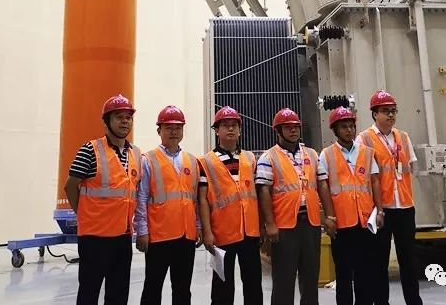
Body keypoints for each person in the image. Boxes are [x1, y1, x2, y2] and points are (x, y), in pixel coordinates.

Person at [64, 94, 142, 305]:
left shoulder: (136, 154)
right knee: (89, 293)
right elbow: (70, 186)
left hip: (123, 237)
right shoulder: (90, 150)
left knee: (118, 293)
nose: (125, 121)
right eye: (119, 117)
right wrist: (83, 214)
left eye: (128, 117)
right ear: (107, 121)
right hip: (94, 238)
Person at [356, 91, 423, 305]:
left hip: (405, 206)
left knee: (409, 260)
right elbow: (361, 175)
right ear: (374, 114)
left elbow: (410, 167)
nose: (391, 115)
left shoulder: (403, 137)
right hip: (381, 209)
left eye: (393, 111)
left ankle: (414, 301)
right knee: (379, 261)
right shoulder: (364, 139)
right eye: (385, 111)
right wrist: (375, 208)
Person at [256, 108, 325, 305]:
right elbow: (264, 191)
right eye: (288, 127)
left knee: (310, 276)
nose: (293, 131)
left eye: (296, 127)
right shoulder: (268, 157)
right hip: (285, 226)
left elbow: (322, 184)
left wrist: (327, 216)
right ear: (278, 131)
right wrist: (270, 223)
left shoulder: (312, 154)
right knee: (284, 279)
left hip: (310, 223)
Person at [134, 105, 202, 305]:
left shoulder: (192, 161)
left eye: (178, 128)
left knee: (182, 289)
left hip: (186, 235)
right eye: (168, 128)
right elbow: (141, 197)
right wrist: (142, 231)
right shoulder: (148, 160)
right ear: (159, 131)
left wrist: (198, 226)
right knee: (152, 287)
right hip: (159, 236)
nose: (173, 132)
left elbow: (194, 198)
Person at [318, 106, 383, 305]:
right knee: (344, 274)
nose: (349, 130)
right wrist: (328, 217)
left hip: (365, 222)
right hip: (341, 224)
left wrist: (380, 211)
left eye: (351, 126)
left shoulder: (367, 153)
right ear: (335, 130)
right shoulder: (326, 155)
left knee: (365, 272)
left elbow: (375, 182)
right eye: (344, 127)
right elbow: (323, 187)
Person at [198, 106, 263, 305]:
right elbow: (202, 199)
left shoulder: (250, 159)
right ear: (217, 130)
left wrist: (260, 225)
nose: (231, 129)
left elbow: (257, 194)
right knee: (222, 286)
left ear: (240, 130)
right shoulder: (205, 162)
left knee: (253, 284)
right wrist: (207, 232)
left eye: (234, 125)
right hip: (222, 233)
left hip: (249, 232)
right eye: (225, 125)